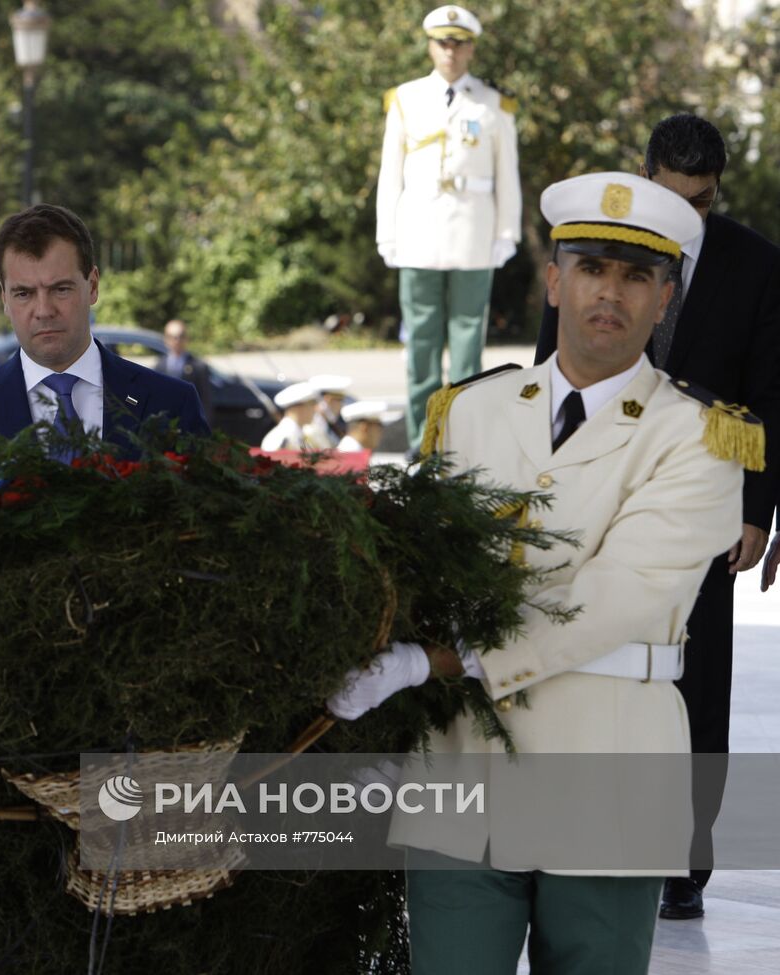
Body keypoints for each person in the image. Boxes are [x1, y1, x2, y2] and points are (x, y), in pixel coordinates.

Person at [329, 172, 753, 973]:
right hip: (459, 770)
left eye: (637, 277)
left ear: (667, 301)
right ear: (555, 280)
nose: (611, 292)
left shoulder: (700, 438)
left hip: (608, 770)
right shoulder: (469, 411)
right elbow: (423, 573)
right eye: (592, 267)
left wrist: (430, 662)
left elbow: (612, 601)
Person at [534, 114, 780, 919]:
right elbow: (551, 361)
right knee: (578, 657)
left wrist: (757, 507)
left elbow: (772, 389)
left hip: (700, 496)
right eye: (672, 196)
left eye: (702, 203)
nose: (687, 216)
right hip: (593, 482)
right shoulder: (594, 242)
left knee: (696, 681)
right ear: (643, 176)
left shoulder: (756, 265)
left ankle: (685, 862)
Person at [0, 204, 209, 500]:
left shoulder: (173, 403)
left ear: (93, 286)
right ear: (4, 299)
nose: (44, 311)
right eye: (24, 293)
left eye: (61, 289)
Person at [377, 3, 521, 451]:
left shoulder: (494, 104)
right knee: (420, 345)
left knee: (466, 344)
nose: (450, 52)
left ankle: (461, 443)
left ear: (471, 48)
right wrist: (388, 232)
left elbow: (507, 174)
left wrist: (506, 233)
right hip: (418, 233)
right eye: (443, 42)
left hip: (474, 234)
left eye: (458, 43)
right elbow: (391, 172)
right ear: (429, 46)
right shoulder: (405, 98)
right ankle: (423, 441)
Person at [158, 318, 214, 423]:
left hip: (190, 424)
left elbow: (205, 401)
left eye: (181, 336)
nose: (177, 341)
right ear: (166, 339)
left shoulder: (199, 367)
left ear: (187, 338)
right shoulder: (160, 365)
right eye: (173, 337)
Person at [261, 381, 325, 452]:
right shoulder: (281, 439)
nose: (315, 410)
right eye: (312, 405)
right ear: (298, 408)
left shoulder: (299, 435)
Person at [336, 400, 402, 453]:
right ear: (365, 427)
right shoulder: (351, 454)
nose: (381, 432)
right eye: (379, 426)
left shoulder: (353, 451)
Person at [307, 373, 353, 447]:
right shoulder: (312, 429)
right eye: (339, 400)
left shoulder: (329, 425)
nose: (341, 405)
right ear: (328, 399)